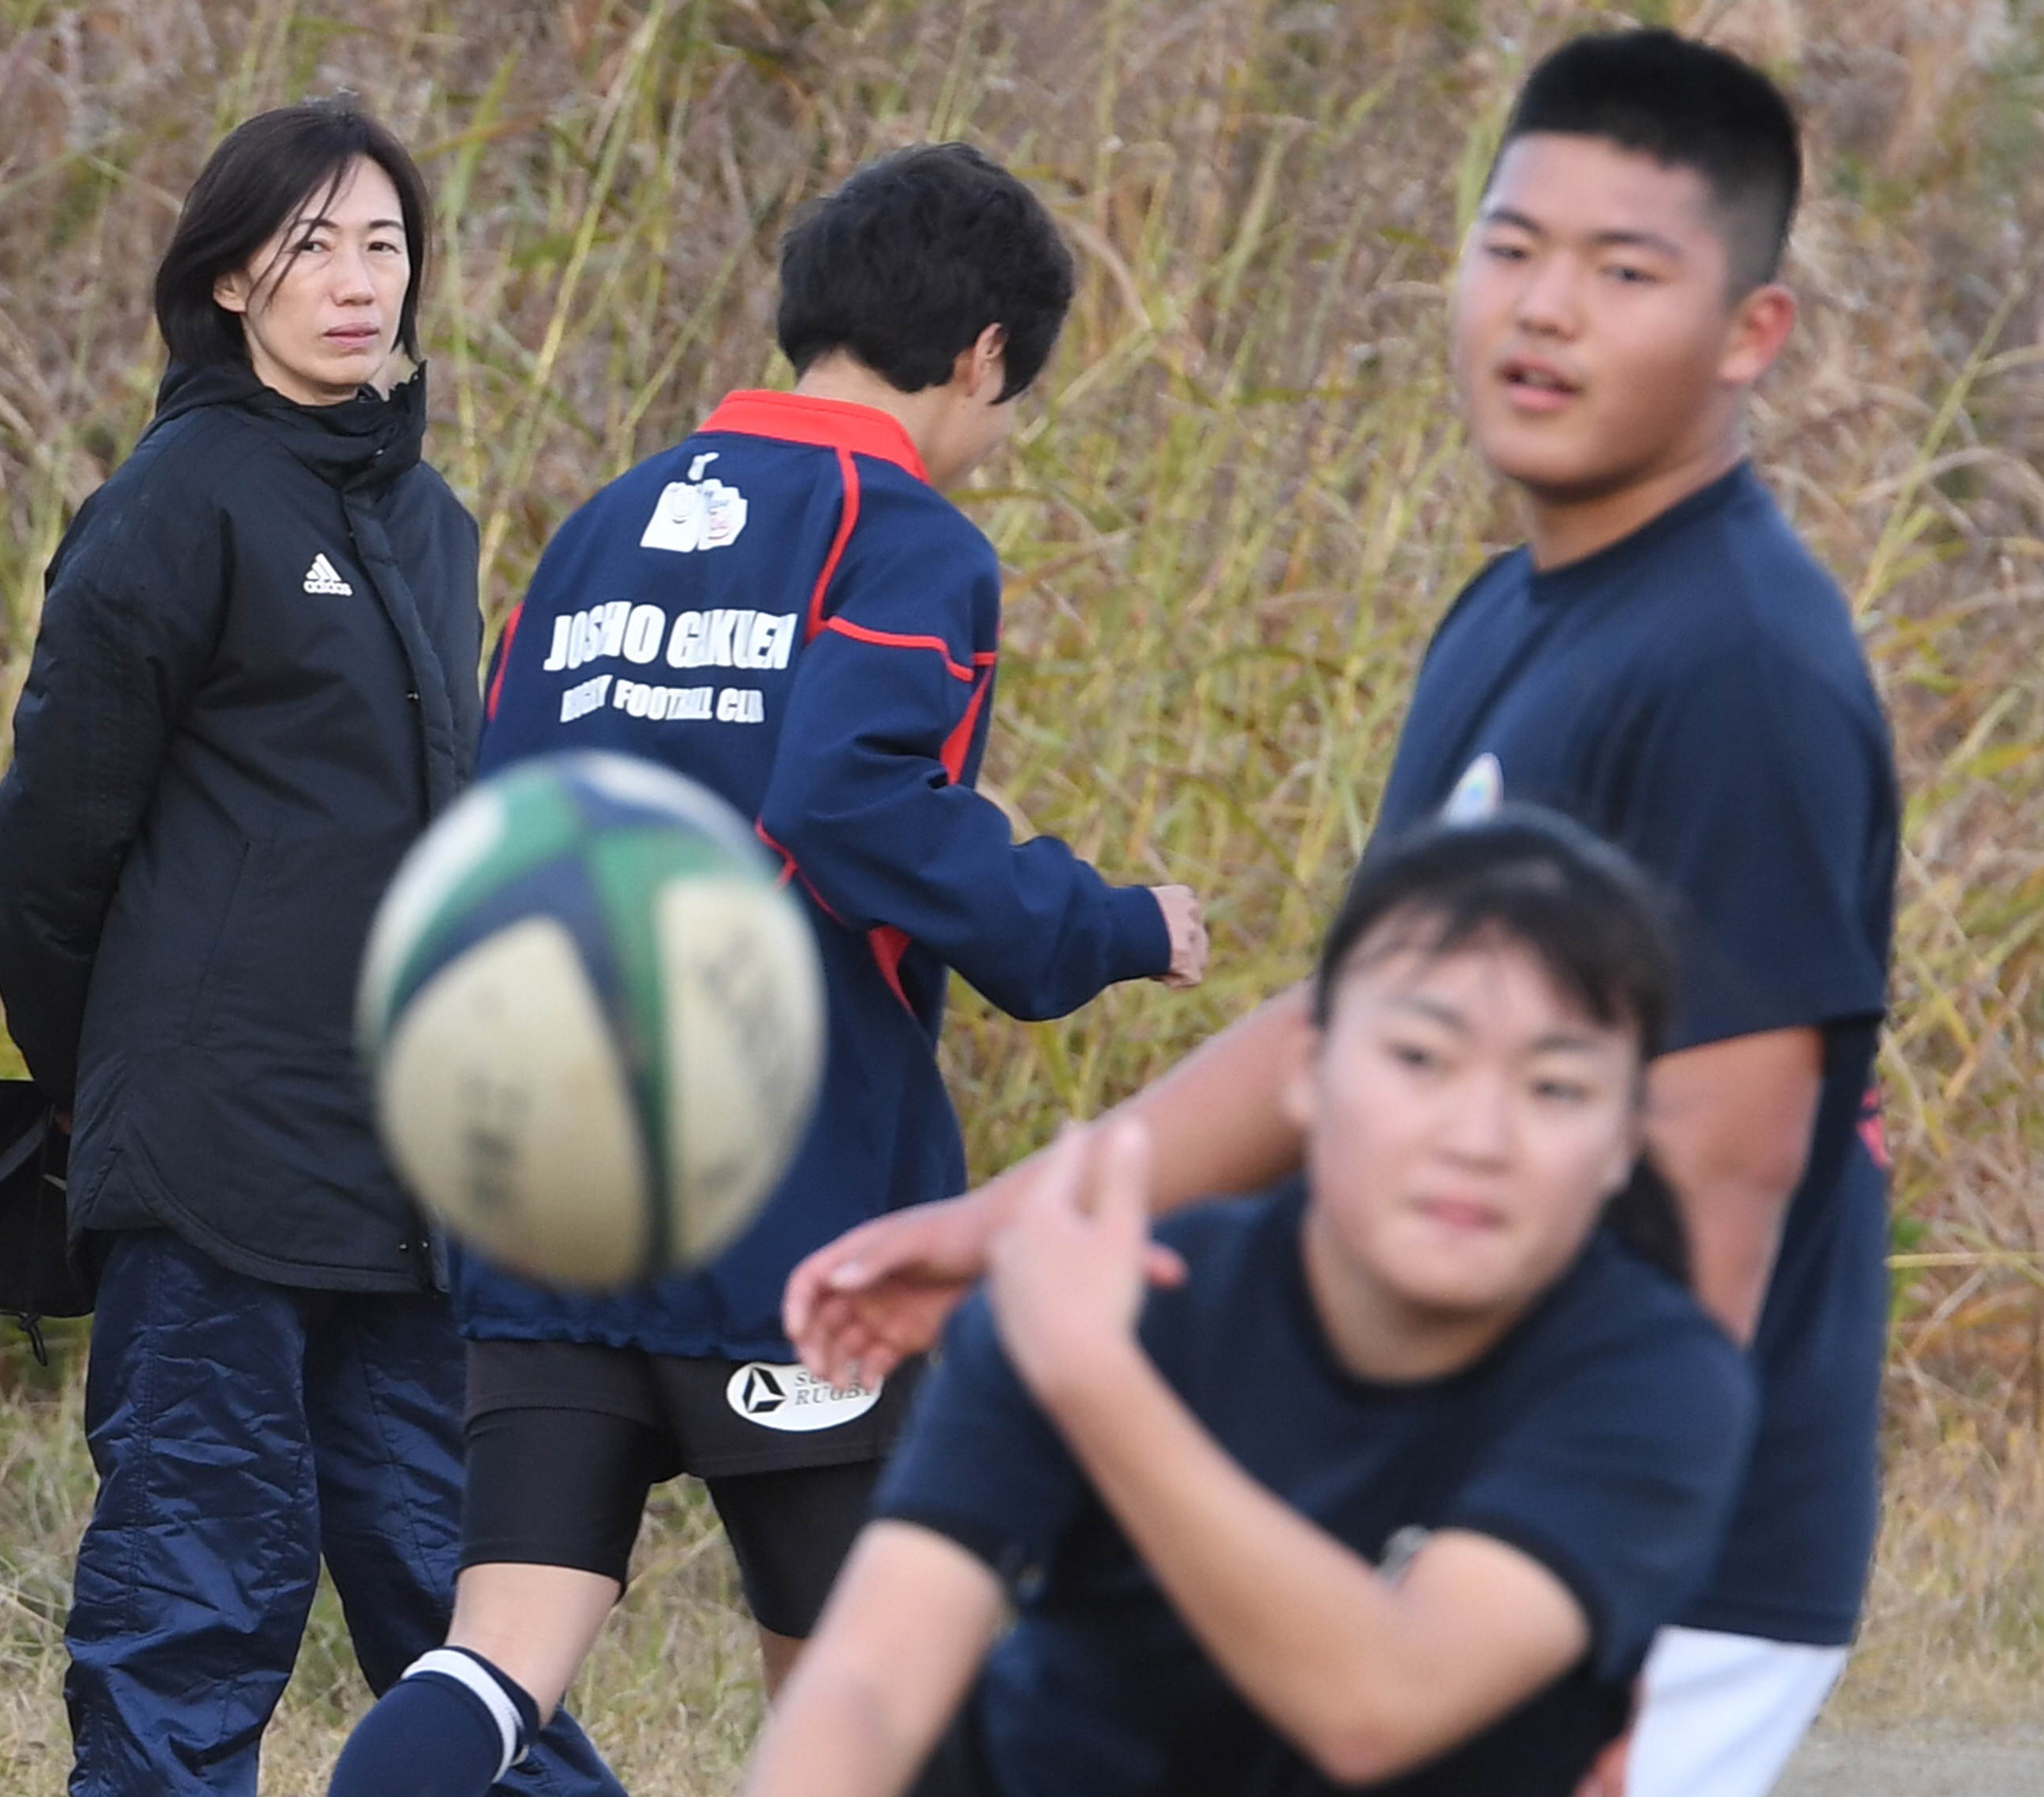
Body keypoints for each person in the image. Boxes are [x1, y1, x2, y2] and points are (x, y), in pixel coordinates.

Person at [786, 32, 1899, 1797]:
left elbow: (1723, 1170)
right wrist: (996, 1226)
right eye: (1513, 247)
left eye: (1626, 272)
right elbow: (1343, 1030)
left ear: (1748, 334)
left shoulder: (1739, 665)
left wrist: (1624, 1661)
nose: (1546, 311)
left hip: (1628, 1548)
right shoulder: (1511, 613)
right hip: (1434, 1500)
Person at [326, 141, 1207, 1797]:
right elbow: (849, 805)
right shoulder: (910, 540)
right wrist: (1107, 924)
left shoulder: (593, 534)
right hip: (788, 1220)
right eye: (1014, 406)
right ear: (986, 359)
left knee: (498, 1651)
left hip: (553, 1198)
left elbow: (510, 817)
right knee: (867, 1696)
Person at [0, 100, 622, 1797]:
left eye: (383, 244)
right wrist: (89, 1085)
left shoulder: (432, 522)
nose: (354, 282)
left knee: (456, 1581)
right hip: (214, 1144)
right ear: (226, 278)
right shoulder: (176, 500)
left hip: (404, 1150)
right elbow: (54, 837)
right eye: (311, 244)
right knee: (200, 1585)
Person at [745, 809, 1757, 1797]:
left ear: (1626, 1137)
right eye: (1420, 1059)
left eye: (1555, 1088)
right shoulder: (1126, 1293)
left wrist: (1096, 1377)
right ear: (1308, 1073)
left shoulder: (1654, 1381)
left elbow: (1381, 1703)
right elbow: (867, 1686)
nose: (1479, 1137)